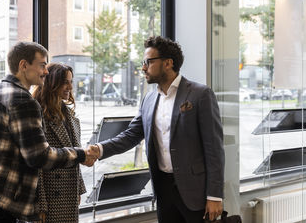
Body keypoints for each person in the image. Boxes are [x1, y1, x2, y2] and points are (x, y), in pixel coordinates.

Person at [88, 36, 225, 223]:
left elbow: (214, 149)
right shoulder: (149, 99)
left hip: (196, 193)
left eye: (148, 62)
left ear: (168, 63)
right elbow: (131, 135)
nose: (143, 67)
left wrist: (215, 196)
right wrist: (99, 149)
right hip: (163, 191)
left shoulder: (200, 94)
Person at [0, 42, 95, 223]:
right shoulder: (23, 100)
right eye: (42, 65)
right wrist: (81, 154)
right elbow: (39, 156)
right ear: (24, 65)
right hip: (2, 204)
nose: (45, 71)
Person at [32, 63, 85, 223]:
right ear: (51, 83)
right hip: (49, 195)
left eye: (71, 81)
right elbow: (36, 163)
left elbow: (75, 156)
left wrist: (79, 189)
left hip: (68, 191)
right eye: (64, 82)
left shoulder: (69, 115)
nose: (70, 86)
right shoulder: (38, 114)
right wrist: (39, 203)